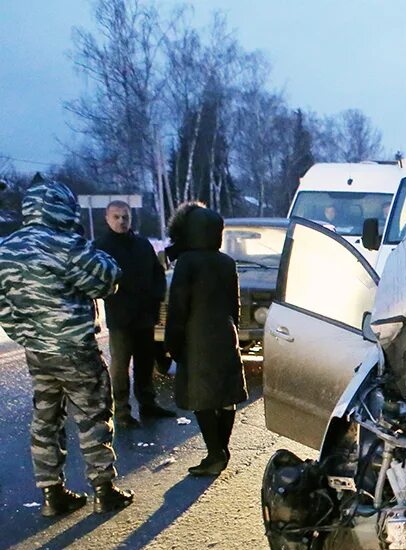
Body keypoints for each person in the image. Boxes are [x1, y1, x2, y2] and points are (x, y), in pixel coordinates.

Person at [0, 178, 134, 516]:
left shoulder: (7, 248)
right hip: (75, 349)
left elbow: (4, 307)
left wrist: (30, 335)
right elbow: (107, 280)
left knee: (46, 418)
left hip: (38, 351)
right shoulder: (66, 245)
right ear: (62, 208)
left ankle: (51, 493)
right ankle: (104, 490)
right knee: (92, 415)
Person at [165, 203, 248, 475]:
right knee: (225, 395)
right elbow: (234, 304)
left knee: (201, 398)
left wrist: (173, 343)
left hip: (195, 337)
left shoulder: (187, 262)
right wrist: (230, 328)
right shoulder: (226, 261)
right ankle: (221, 451)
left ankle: (215, 453)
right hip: (225, 334)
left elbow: (178, 306)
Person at [96, 201, 175, 427]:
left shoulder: (142, 245)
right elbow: (93, 281)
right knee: (120, 367)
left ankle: (148, 405)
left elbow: (158, 274)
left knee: (144, 363)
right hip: (120, 318)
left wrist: (156, 299)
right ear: (107, 218)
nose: (121, 221)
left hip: (145, 315)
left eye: (125, 217)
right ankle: (121, 412)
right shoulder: (101, 247)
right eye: (117, 217)